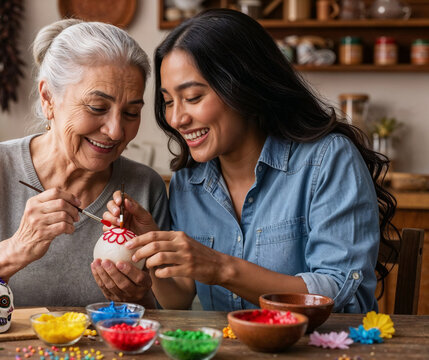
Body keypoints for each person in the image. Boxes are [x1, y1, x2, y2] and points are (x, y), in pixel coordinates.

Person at [96, 9, 396, 313]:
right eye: (169, 101)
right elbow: (179, 298)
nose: (176, 118)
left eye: (194, 97)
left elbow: (339, 296)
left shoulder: (328, 160)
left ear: (243, 87)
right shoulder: (189, 182)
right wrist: (150, 251)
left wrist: (222, 268)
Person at [0, 19, 170, 309]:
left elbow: (172, 313)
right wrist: (16, 249)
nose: (116, 131)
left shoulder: (145, 187)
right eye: (97, 108)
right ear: (48, 99)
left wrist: (139, 296)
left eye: (131, 113)